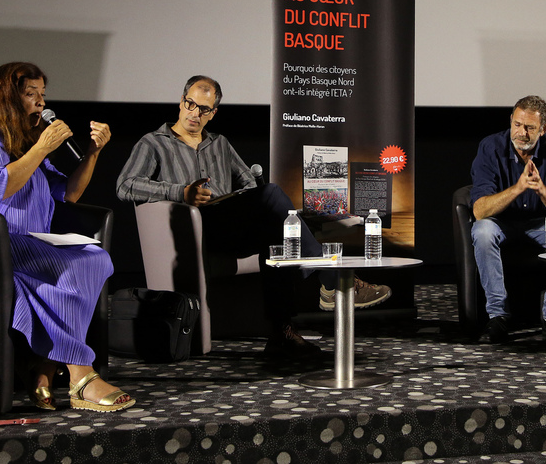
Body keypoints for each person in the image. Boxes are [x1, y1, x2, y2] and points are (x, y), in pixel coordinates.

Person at [116, 76, 391, 356]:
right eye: (190, 104)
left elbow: (248, 183)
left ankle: (282, 333)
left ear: (213, 113)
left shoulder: (220, 144)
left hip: (230, 226)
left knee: (275, 231)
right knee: (272, 195)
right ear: (181, 102)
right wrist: (181, 192)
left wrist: (244, 199)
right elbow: (125, 185)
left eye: (204, 109)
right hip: (191, 230)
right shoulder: (154, 143)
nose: (195, 113)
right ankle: (332, 281)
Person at [0, 62, 134, 412]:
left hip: (27, 242)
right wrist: (42, 147)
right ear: (7, 96)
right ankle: (80, 376)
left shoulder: (25, 139)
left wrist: (93, 153)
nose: (40, 102)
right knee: (73, 270)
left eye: (42, 94)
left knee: (95, 258)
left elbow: (69, 193)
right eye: (30, 94)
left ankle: (43, 368)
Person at [470, 95, 546, 343]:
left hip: (541, 224)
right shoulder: (490, 147)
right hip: (500, 223)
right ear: (511, 120)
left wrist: (541, 190)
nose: (521, 133)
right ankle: (498, 315)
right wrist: (518, 188)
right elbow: (479, 211)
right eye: (517, 124)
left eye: (530, 127)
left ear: (543, 129)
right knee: (482, 231)